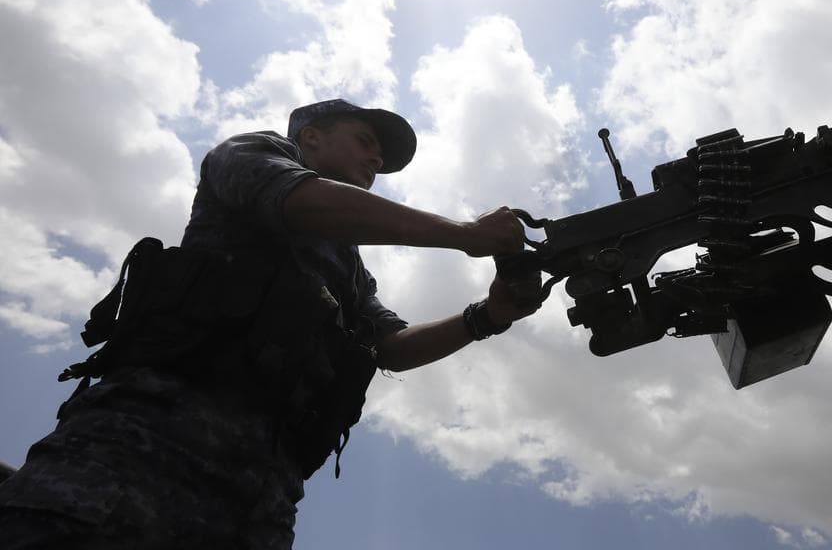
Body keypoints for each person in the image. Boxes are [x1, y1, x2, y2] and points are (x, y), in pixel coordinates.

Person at [0, 99, 540, 548]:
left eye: (382, 154)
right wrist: (465, 235)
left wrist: (487, 316)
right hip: (141, 445)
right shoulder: (251, 153)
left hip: (262, 492)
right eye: (365, 140)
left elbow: (391, 347)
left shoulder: (349, 266)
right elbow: (303, 204)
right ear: (311, 137)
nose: (377, 158)